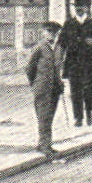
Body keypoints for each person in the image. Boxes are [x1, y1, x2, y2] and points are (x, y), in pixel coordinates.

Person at [61, 0, 92, 127]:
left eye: (81, 6)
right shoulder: (69, 23)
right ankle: (78, 117)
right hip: (74, 63)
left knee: (88, 89)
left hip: (90, 63)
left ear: (87, 8)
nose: (78, 9)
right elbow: (62, 42)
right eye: (76, 7)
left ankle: (88, 112)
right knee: (75, 90)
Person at [26, 19, 65, 151]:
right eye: (48, 32)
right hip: (42, 88)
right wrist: (35, 83)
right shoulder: (39, 48)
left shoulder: (59, 48)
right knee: (44, 116)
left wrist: (59, 82)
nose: (51, 34)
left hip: (55, 88)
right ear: (43, 33)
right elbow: (29, 68)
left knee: (50, 116)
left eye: (54, 32)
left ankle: (44, 143)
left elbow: (59, 67)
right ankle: (45, 145)